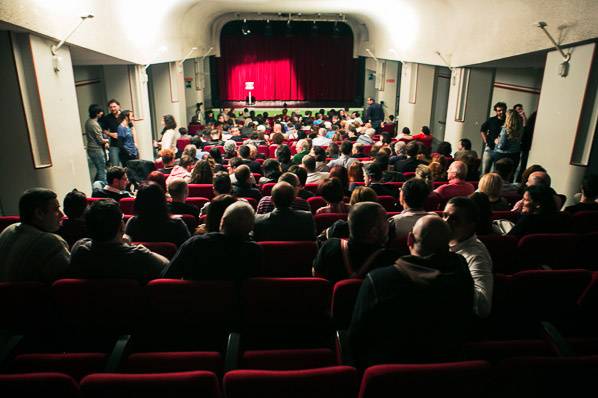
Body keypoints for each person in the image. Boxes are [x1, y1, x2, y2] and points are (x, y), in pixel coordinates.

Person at [348, 215, 473, 366]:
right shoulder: (462, 275)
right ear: (448, 243)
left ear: (410, 240)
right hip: (451, 376)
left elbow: (356, 339)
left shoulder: (379, 281)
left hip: (392, 376)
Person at [67, 199, 167, 284]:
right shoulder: (139, 255)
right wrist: (129, 245)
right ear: (122, 226)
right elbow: (167, 266)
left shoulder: (79, 249)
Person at [163, 201, 262, 280]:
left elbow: (166, 278)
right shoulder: (255, 252)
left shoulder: (196, 244)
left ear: (222, 222)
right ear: (250, 228)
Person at [313, 202, 398, 283]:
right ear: (374, 232)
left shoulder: (329, 247)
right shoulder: (390, 259)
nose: (389, 224)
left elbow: (317, 279)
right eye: (386, 220)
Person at [0, 188, 69, 282]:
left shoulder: (7, 230)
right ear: (39, 214)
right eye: (56, 209)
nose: (62, 214)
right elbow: (67, 281)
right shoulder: (51, 242)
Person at [443, 197, 493, 319]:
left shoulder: (476, 256)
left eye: (454, 219)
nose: (445, 222)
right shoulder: (445, 241)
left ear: (471, 225)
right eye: (444, 215)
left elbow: (483, 306)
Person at [124, 182, 190, 246]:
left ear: (138, 202)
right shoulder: (177, 224)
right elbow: (187, 249)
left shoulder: (132, 223)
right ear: (163, 201)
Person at [493, 109, 523, 176]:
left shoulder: (505, 129)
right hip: (515, 155)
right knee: (510, 175)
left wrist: (497, 142)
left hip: (502, 155)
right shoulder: (521, 129)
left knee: (498, 175)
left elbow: (502, 146)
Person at [85, 104, 108, 185]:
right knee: (102, 170)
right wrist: (108, 140)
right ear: (97, 113)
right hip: (96, 149)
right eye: (100, 112)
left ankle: (96, 186)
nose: (102, 113)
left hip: (91, 149)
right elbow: (100, 140)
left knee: (99, 170)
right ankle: (104, 189)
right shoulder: (94, 124)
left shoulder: (88, 121)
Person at [480, 102, 507, 174]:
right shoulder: (491, 120)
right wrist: (486, 141)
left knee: (497, 172)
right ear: (496, 111)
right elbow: (482, 130)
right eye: (499, 110)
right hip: (490, 148)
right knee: (485, 171)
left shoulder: (508, 121)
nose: (501, 112)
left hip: (501, 150)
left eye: (503, 110)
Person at [99, 99, 122, 167]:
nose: (112, 108)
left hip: (126, 144)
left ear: (119, 106)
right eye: (111, 107)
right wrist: (111, 134)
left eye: (114, 106)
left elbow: (132, 128)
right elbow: (103, 130)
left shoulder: (124, 115)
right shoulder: (107, 118)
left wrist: (135, 142)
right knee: (115, 166)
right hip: (114, 145)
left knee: (128, 165)